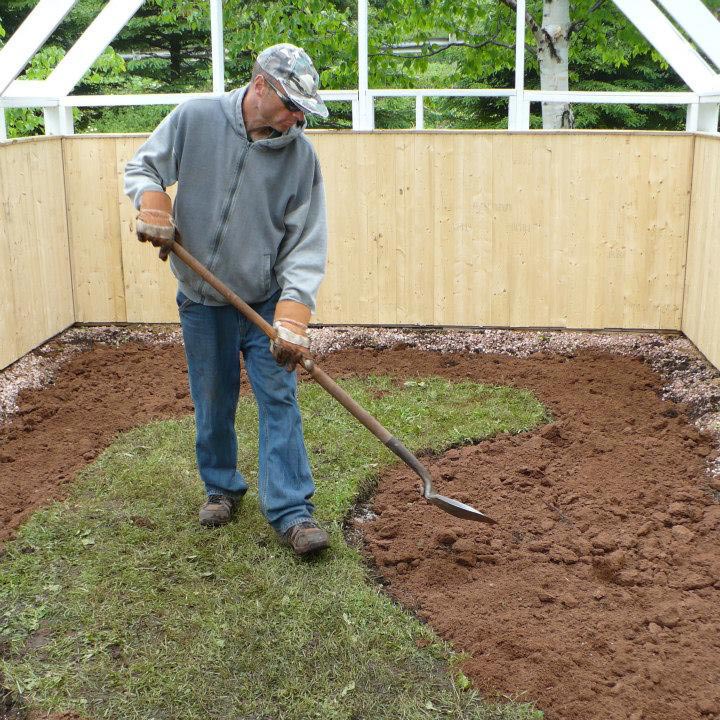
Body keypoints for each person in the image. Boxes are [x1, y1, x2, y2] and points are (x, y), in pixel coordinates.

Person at [124, 44, 330, 556]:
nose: (296, 119)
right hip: (202, 299)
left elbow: (305, 241)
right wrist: (153, 205)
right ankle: (221, 486)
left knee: (279, 398)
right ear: (260, 86)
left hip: (263, 302)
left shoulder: (300, 155)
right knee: (213, 397)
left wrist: (293, 312)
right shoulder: (196, 118)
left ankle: (292, 512)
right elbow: (144, 167)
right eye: (290, 105)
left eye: (303, 110)